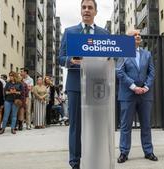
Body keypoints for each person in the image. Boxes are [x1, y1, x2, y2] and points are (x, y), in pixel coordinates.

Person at [58, 0, 109, 168]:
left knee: (96, 125)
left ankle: (95, 158)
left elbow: (111, 57)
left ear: (96, 11)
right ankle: (75, 162)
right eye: (84, 7)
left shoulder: (103, 33)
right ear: (81, 10)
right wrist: (70, 60)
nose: (86, 10)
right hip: (75, 85)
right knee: (75, 126)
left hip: (97, 86)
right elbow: (60, 58)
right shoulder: (69, 32)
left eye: (90, 8)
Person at [116, 29, 157, 163]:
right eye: (134, 35)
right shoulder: (122, 53)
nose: (138, 36)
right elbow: (119, 71)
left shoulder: (147, 54)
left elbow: (152, 72)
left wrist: (146, 87)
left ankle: (148, 152)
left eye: (139, 34)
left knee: (146, 124)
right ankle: (124, 152)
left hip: (145, 94)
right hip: (128, 94)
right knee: (125, 125)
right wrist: (134, 87)